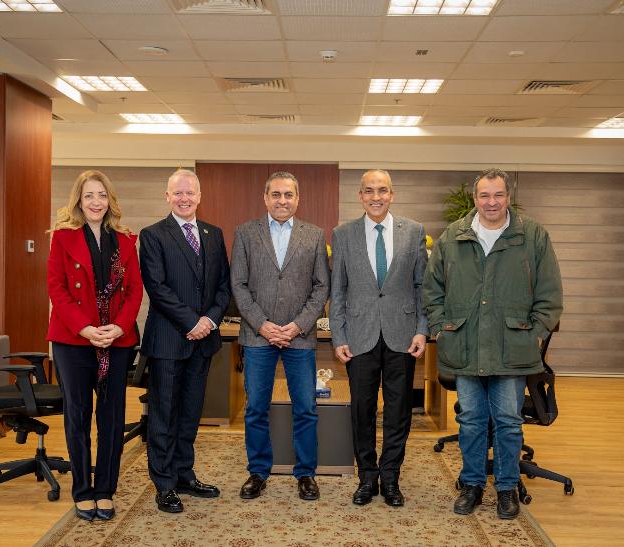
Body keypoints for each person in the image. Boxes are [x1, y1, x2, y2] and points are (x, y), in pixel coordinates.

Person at [423, 168, 563, 519]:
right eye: (484, 195)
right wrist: (441, 327)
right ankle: (471, 485)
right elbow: (432, 289)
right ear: (475, 198)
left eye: (498, 195)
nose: (491, 202)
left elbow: (550, 293)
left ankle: (506, 488)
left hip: (511, 348)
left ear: (508, 197)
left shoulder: (532, 236)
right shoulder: (453, 236)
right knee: (471, 420)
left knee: (507, 421)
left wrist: (535, 332)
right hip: (464, 345)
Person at [47, 169, 143, 522]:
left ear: (110, 200)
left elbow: (135, 290)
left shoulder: (126, 240)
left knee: (112, 418)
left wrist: (118, 327)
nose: (96, 202)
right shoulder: (62, 238)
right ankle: (82, 491)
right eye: (89, 195)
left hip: (116, 341)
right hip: (74, 340)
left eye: (102, 195)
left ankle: (105, 489)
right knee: (78, 416)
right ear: (79, 200)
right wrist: (86, 329)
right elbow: (57, 289)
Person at [329, 169, 428, 507]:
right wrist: (338, 335)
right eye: (369, 191)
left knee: (398, 411)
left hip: (403, 335)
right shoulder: (343, 235)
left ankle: (391, 478)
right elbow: (338, 290)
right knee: (362, 410)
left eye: (382, 190)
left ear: (392, 194)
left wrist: (422, 329)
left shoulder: (414, 231)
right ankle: (367, 478)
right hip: (359, 336)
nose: (376, 197)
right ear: (360, 196)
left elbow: (422, 286)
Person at [230, 171, 330, 501]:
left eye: (288, 195)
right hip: (258, 336)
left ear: (297, 199)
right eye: (276, 194)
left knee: (306, 408)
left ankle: (306, 473)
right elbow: (238, 284)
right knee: (256, 408)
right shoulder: (246, 233)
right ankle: (258, 472)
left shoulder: (314, 235)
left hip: (299, 337)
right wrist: (262, 325)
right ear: (265, 198)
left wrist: (298, 325)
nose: (282, 200)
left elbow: (322, 287)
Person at [139, 169, 231, 514]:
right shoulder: (153, 235)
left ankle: (183, 474)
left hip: (202, 341)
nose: (184, 198)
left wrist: (208, 321)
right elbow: (157, 287)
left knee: (191, 413)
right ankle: (164, 484)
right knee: (164, 414)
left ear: (199, 196)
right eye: (177, 193)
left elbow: (223, 286)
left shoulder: (213, 234)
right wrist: (192, 322)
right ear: (167, 196)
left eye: (190, 192)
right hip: (168, 340)